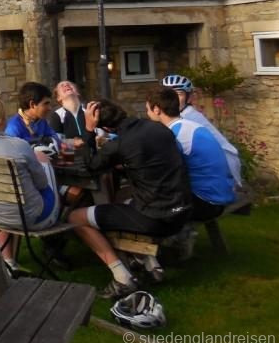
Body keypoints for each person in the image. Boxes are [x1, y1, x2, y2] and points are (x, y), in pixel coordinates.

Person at [67, 98, 193, 299]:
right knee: (119, 201)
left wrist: (88, 131)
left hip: (157, 218)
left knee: (76, 217)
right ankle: (150, 263)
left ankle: (122, 277)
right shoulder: (159, 129)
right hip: (182, 210)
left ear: (106, 128)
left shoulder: (119, 145)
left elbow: (88, 166)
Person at [0, 98, 61, 276]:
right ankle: (57, 244)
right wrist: (42, 161)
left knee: (7, 195)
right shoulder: (19, 146)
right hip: (31, 219)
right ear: (3, 120)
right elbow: (42, 184)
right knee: (47, 172)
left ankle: (9, 260)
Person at [146, 87, 235, 222]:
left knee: (149, 209)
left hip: (206, 203)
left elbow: (161, 171)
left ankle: (175, 241)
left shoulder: (175, 135)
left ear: (157, 110)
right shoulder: (191, 126)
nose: (147, 113)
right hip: (222, 195)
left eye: (147, 109)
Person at [162, 74, 242, 188]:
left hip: (221, 171)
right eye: (168, 94)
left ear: (189, 98)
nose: (172, 99)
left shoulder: (188, 118)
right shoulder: (179, 115)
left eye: (179, 94)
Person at [4, 81, 61, 148]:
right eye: (46, 103)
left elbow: (56, 139)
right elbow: (13, 154)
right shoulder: (13, 127)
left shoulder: (41, 121)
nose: (50, 108)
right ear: (32, 104)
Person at [48, 81, 93, 149]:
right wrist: (72, 142)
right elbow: (56, 139)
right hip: (71, 154)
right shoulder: (57, 115)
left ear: (77, 92)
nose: (66, 85)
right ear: (58, 97)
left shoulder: (89, 109)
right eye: (62, 85)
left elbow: (100, 132)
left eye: (69, 84)